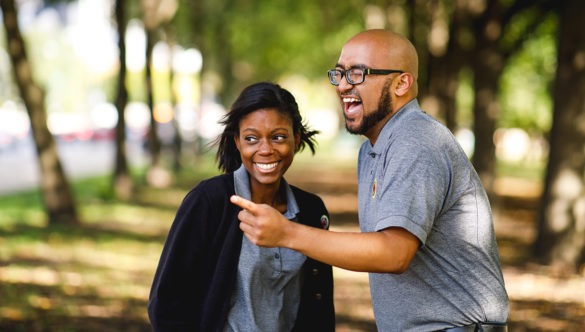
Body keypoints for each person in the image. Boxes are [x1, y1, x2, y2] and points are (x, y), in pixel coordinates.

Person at [231, 29, 509, 331]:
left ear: (402, 83)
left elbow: (393, 253)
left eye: (358, 73)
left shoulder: (417, 140)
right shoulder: (372, 151)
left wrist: (286, 234)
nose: (343, 86)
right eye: (339, 74)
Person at [148, 82, 335, 331]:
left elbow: (320, 308)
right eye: (252, 138)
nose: (266, 149)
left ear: (296, 138)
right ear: (237, 142)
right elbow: (167, 302)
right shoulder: (209, 202)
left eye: (278, 137)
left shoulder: (311, 210)